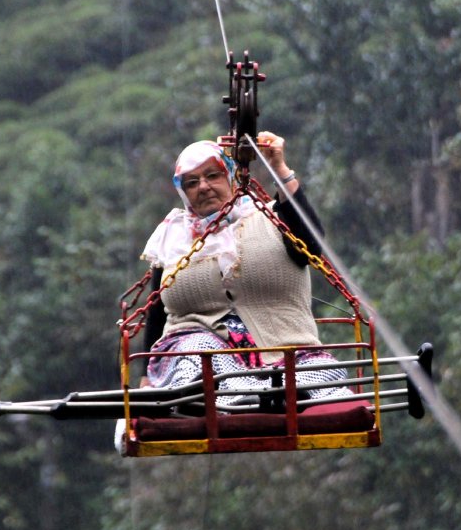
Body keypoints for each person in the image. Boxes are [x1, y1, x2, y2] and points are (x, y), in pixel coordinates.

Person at [136, 132, 350, 406]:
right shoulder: (172, 236)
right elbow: (156, 308)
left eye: (213, 175)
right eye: (192, 182)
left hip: (287, 350)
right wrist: (145, 381)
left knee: (317, 376)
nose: (203, 186)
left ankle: (280, 397)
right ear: (184, 192)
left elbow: (311, 243)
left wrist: (279, 168)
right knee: (197, 359)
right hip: (201, 350)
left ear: (231, 176)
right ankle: (235, 398)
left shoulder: (273, 217)